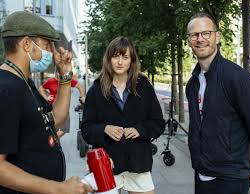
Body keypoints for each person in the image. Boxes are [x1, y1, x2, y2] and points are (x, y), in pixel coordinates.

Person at [0, 11, 93, 194]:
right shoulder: (7, 90)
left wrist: (65, 76)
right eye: (47, 45)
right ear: (27, 44)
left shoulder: (24, 83)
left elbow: (55, 120)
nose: (52, 52)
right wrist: (58, 188)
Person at [186, 12, 250, 194]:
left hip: (230, 179)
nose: (200, 39)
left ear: (217, 36)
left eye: (206, 33)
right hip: (202, 174)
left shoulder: (238, 79)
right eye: (194, 35)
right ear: (188, 40)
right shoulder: (192, 83)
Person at [81, 36, 165, 194]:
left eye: (125, 57)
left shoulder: (144, 87)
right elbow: (86, 129)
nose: (120, 62)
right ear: (109, 59)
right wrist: (104, 129)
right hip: (107, 165)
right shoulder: (96, 90)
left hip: (138, 163)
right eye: (115, 56)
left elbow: (158, 123)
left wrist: (140, 130)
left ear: (131, 60)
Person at [39, 72, 86, 138]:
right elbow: (41, 88)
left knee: (65, 129)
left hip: (64, 107)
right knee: (54, 128)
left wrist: (82, 97)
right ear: (56, 72)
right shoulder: (51, 81)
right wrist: (46, 97)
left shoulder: (67, 81)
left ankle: (52, 140)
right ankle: (54, 143)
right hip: (53, 108)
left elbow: (78, 86)